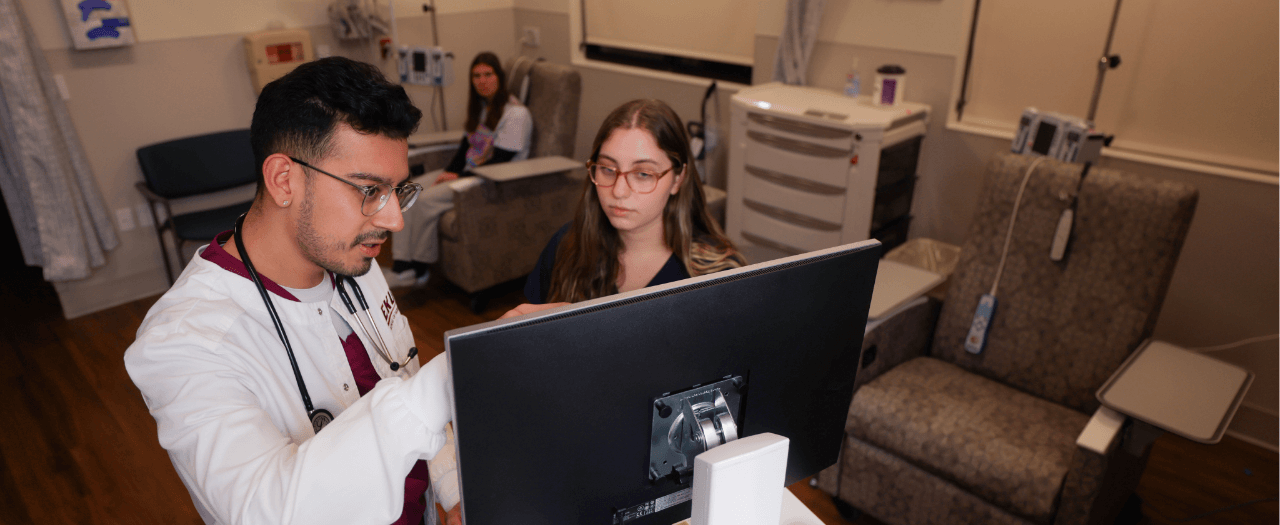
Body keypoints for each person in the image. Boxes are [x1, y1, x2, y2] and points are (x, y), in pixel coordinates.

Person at [124, 57, 462, 525]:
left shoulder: (352, 256)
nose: (393, 219)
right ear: (284, 180)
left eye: (397, 191)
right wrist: (455, 374)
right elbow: (269, 511)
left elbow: (402, 376)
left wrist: (450, 489)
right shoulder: (184, 342)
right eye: (369, 190)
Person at [524, 99, 744, 304]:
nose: (619, 191)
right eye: (608, 169)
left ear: (678, 179)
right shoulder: (566, 246)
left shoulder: (719, 274)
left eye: (643, 174)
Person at [385, 51, 533, 288]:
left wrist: (458, 176)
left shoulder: (516, 114)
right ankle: (403, 265)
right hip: (469, 172)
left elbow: (501, 161)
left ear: (500, 78)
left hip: (490, 179)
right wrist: (450, 171)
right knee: (409, 192)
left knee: (424, 201)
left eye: (488, 74)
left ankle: (418, 269)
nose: (482, 81)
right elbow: (465, 148)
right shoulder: (483, 109)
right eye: (476, 76)